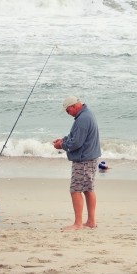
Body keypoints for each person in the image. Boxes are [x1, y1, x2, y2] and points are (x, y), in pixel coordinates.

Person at [52, 96, 101, 231]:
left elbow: (76, 143)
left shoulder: (83, 119)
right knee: (88, 189)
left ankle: (78, 224)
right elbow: (75, 137)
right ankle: (91, 222)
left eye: (68, 111)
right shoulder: (86, 114)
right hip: (90, 157)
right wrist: (63, 140)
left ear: (74, 106)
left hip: (84, 159)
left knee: (75, 190)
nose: (68, 114)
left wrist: (61, 145)